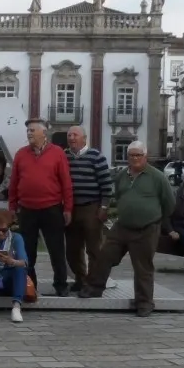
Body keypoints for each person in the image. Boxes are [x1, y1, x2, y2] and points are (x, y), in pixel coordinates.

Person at [79, 141, 173, 318]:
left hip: (147, 228)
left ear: (145, 156)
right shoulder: (122, 175)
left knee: (143, 267)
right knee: (105, 255)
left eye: (138, 155)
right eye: (131, 155)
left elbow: (169, 202)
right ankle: (94, 288)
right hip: (122, 226)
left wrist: (155, 219)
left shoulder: (157, 177)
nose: (135, 158)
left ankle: (144, 303)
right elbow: (119, 196)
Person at [9, 119, 73, 297]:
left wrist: (68, 208)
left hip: (51, 208)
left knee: (56, 249)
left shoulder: (57, 153)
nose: (28, 133)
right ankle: (30, 285)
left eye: (32, 130)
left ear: (43, 133)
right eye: (28, 130)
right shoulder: (21, 154)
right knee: (27, 250)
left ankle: (61, 285)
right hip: (27, 209)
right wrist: (12, 206)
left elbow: (66, 182)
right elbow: (14, 182)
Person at [64, 125, 111, 292]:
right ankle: (80, 279)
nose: (71, 138)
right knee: (72, 248)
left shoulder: (96, 156)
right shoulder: (64, 156)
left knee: (94, 248)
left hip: (92, 206)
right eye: (69, 135)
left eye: (75, 135)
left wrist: (104, 206)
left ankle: (93, 283)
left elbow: (106, 185)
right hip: (71, 208)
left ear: (84, 138)